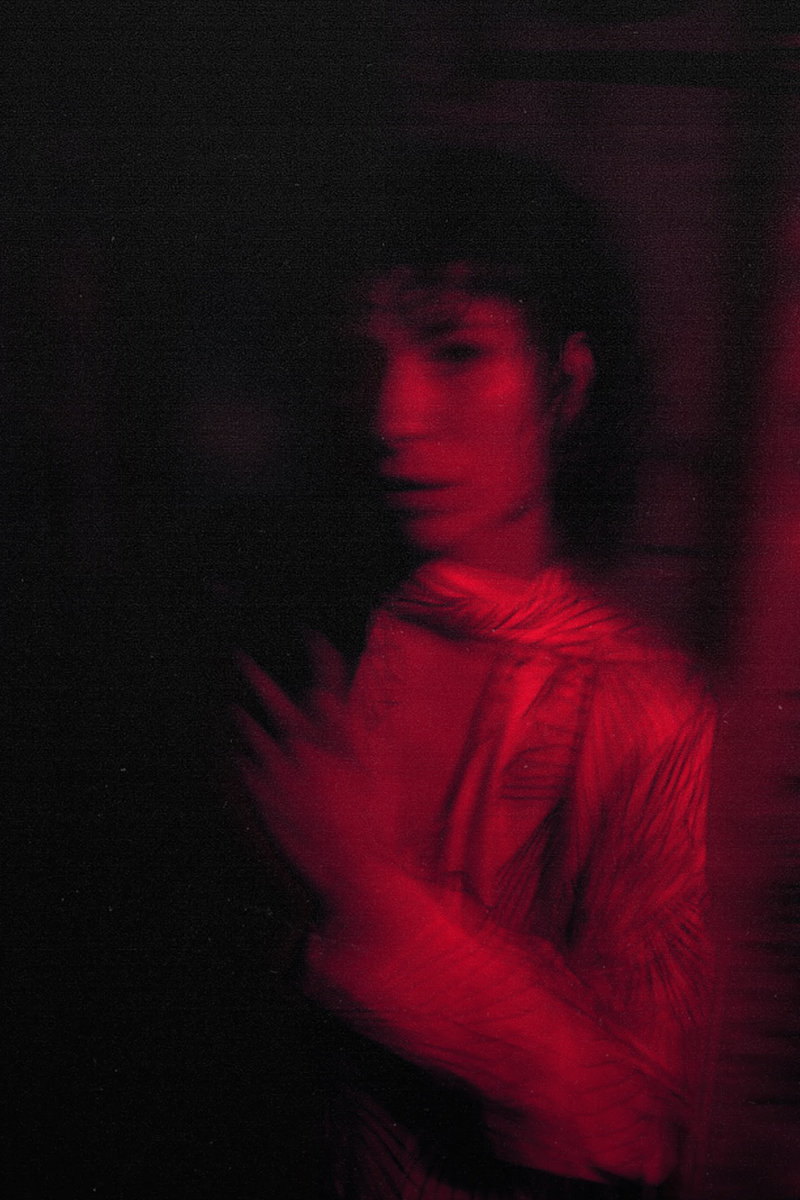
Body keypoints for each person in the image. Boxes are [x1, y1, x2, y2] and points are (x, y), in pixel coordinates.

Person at [234, 144, 715, 1198]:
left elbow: (633, 1132)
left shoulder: (641, 711)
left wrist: (372, 898)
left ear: (565, 384)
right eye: (366, 362)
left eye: (456, 354)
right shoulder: (317, 638)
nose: (393, 419)